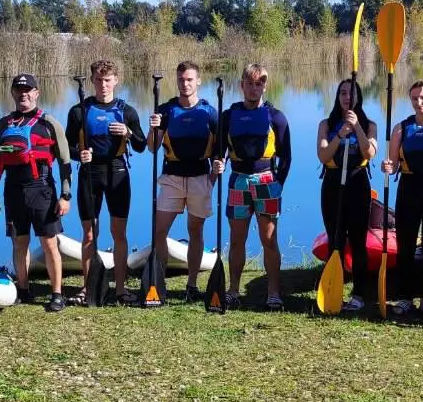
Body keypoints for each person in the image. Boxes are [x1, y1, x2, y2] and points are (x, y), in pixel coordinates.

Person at [0, 74, 74, 310]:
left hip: (42, 190)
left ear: (37, 93)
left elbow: (65, 161)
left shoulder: (49, 123)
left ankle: (57, 295)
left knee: (49, 244)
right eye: (19, 89)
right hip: (13, 190)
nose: (23, 93)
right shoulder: (3, 124)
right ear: (13, 93)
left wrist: (65, 196)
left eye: (28, 90)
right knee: (19, 243)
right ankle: (23, 290)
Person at [66, 60, 147, 305]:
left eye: (108, 80)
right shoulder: (79, 110)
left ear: (116, 80)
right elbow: (66, 146)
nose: (103, 85)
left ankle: (120, 288)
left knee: (118, 232)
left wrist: (128, 133)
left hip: (118, 171)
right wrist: (78, 154)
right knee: (90, 234)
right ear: (92, 81)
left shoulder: (127, 111)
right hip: (90, 173)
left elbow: (142, 146)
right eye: (99, 80)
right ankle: (87, 286)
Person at [218, 62, 293, 310]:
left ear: (265, 86)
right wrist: (218, 163)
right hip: (238, 180)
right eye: (249, 83)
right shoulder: (228, 116)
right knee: (236, 239)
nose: (254, 88)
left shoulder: (276, 117)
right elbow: (220, 151)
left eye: (259, 83)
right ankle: (233, 290)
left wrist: (278, 183)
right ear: (241, 85)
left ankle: (274, 293)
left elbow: (286, 157)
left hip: (267, 181)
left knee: (269, 239)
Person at [148, 61, 220, 305]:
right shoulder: (166, 111)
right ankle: (160, 281)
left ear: (198, 81)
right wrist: (154, 128)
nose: (185, 83)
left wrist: (214, 176)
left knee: (195, 231)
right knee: (159, 230)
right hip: (171, 178)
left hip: (200, 177)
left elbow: (221, 150)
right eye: (181, 79)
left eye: (189, 79)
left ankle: (191, 285)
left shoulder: (209, 113)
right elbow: (151, 147)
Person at [381, 80, 423, 316]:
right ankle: (404, 297)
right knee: (406, 246)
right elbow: (393, 164)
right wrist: (388, 167)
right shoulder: (401, 128)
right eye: (414, 98)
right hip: (409, 189)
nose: (419, 102)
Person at [316, 77, 379, 313]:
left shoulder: (369, 124)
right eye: (342, 93)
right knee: (335, 240)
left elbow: (369, 152)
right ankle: (334, 291)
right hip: (332, 185)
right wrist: (340, 134)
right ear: (337, 97)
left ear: (358, 97)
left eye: (351, 93)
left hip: (357, 183)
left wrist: (357, 128)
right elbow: (323, 156)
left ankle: (359, 294)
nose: (346, 97)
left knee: (358, 241)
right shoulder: (326, 124)